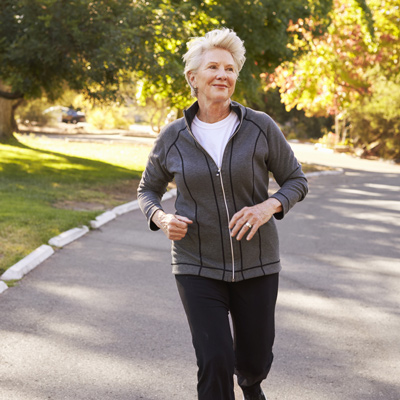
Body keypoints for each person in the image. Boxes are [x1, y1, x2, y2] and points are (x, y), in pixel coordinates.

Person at [137, 28, 308, 400]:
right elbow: (147, 190)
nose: (222, 75)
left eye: (230, 69)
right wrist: (161, 218)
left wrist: (269, 206)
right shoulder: (173, 137)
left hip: (257, 263)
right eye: (212, 66)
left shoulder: (260, 127)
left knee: (254, 360)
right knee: (214, 360)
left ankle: (251, 384)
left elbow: (296, 180)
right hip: (196, 264)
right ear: (192, 78)